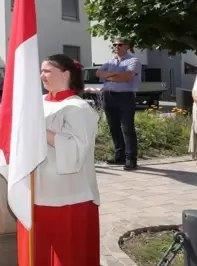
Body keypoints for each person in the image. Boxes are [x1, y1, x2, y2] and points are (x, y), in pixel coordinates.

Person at [16, 54, 100, 265]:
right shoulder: (39, 103)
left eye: (47, 71)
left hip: (67, 194)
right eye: (41, 71)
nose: (41, 75)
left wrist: (40, 131)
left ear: (65, 75)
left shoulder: (78, 108)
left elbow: (76, 149)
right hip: (36, 187)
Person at [97, 38, 140, 170]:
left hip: (125, 97)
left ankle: (130, 158)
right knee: (114, 127)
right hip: (109, 96)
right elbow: (98, 73)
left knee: (127, 129)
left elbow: (126, 77)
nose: (116, 46)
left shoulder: (133, 60)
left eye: (120, 44)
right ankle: (119, 156)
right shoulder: (110, 61)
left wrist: (108, 76)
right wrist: (115, 75)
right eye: (115, 44)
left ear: (127, 46)